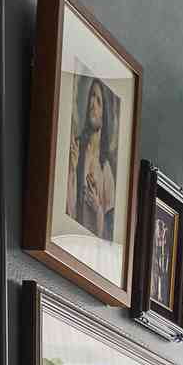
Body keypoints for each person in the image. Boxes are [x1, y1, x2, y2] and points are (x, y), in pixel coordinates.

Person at [66, 75, 117, 241]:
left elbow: (108, 239)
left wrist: (97, 209)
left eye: (98, 101)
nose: (92, 104)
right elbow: (67, 212)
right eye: (91, 97)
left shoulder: (106, 169)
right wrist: (72, 172)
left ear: (105, 113)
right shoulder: (77, 150)